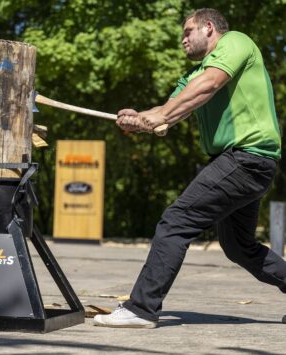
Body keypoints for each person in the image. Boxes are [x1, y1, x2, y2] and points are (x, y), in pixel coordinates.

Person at [94, 8, 283, 328]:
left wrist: (162, 116)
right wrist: (140, 118)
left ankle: (141, 308)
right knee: (239, 247)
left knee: (176, 220)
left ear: (209, 28)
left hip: (245, 158)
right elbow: (172, 106)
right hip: (244, 163)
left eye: (187, 31)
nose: (182, 39)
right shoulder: (195, 74)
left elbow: (210, 84)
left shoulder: (236, 42)